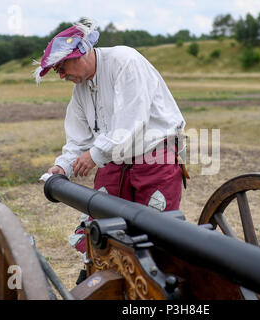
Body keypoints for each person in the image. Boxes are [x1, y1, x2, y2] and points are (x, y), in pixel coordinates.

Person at [34, 19, 187, 265]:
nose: (61, 75)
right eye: (56, 71)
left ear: (81, 53)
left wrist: (95, 155)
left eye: (62, 67)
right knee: (105, 233)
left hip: (154, 159)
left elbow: (131, 123)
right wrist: (63, 166)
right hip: (115, 162)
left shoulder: (125, 61)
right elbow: (78, 139)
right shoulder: (81, 90)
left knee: (157, 238)